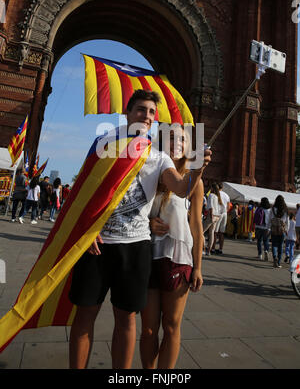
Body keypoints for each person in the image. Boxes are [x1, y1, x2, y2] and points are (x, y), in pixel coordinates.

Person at [68, 90, 211, 369]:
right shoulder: (104, 144)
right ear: (127, 113)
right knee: (85, 316)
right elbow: (82, 191)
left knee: (126, 319)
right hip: (98, 245)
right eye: (141, 110)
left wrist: (198, 168)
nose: (146, 116)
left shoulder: (159, 158)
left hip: (135, 248)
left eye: (151, 113)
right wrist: (88, 228)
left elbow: (182, 189)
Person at [140, 124, 204, 369]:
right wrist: (148, 223)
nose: (176, 142)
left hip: (177, 258)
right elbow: (132, 211)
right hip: (147, 255)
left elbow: (196, 226)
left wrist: (198, 267)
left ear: (188, 146)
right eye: (170, 138)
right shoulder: (149, 174)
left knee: (171, 326)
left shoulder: (194, 180)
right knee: (147, 329)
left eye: (181, 139)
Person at [267, 195, 289, 268]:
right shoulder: (285, 210)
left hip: (274, 230)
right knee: (280, 246)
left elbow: (269, 220)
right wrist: (286, 230)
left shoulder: (272, 209)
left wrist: (268, 229)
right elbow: (287, 222)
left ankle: (275, 257)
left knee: (274, 245)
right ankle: (279, 262)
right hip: (282, 230)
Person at [213, 182, 230, 254]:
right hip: (224, 214)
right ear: (222, 188)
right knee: (222, 233)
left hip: (218, 214)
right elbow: (228, 207)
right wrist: (225, 211)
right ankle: (220, 249)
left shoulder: (216, 194)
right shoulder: (226, 195)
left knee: (215, 232)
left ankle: (213, 248)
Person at [206, 182, 222, 255]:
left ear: (212, 188)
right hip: (217, 216)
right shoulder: (217, 197)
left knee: (201, 231)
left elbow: (211, 206)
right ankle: (208, 250)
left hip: (211, 215)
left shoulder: (211, 195)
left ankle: (201, 247)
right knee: (211, 233)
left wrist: (211, 214)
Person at [254, 197, 271, 261]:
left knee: (259, 241)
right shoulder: (269, 210)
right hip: (266, 227)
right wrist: (269, 228)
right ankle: (266, 251)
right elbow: (270, 219)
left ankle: (260, 254)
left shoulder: (259, 208)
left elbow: (255, 216)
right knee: (266, 241)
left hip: (259, 226)